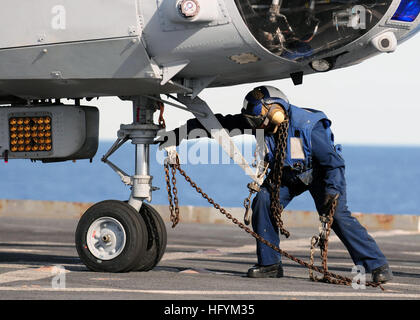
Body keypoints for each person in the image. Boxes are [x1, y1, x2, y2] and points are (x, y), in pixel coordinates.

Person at [159, 85, 393, 283]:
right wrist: (179, 134)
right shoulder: (260, 121)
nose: (256, 127)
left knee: (337, 216)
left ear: (277, 112)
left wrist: (332, 192)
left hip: (320, 173)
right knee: (264, 200)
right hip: (287, 175)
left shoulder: (310, 127)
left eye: (258, 121)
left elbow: (334, 163)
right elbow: (220, 124)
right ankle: (270, 264)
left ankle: (376, 266)